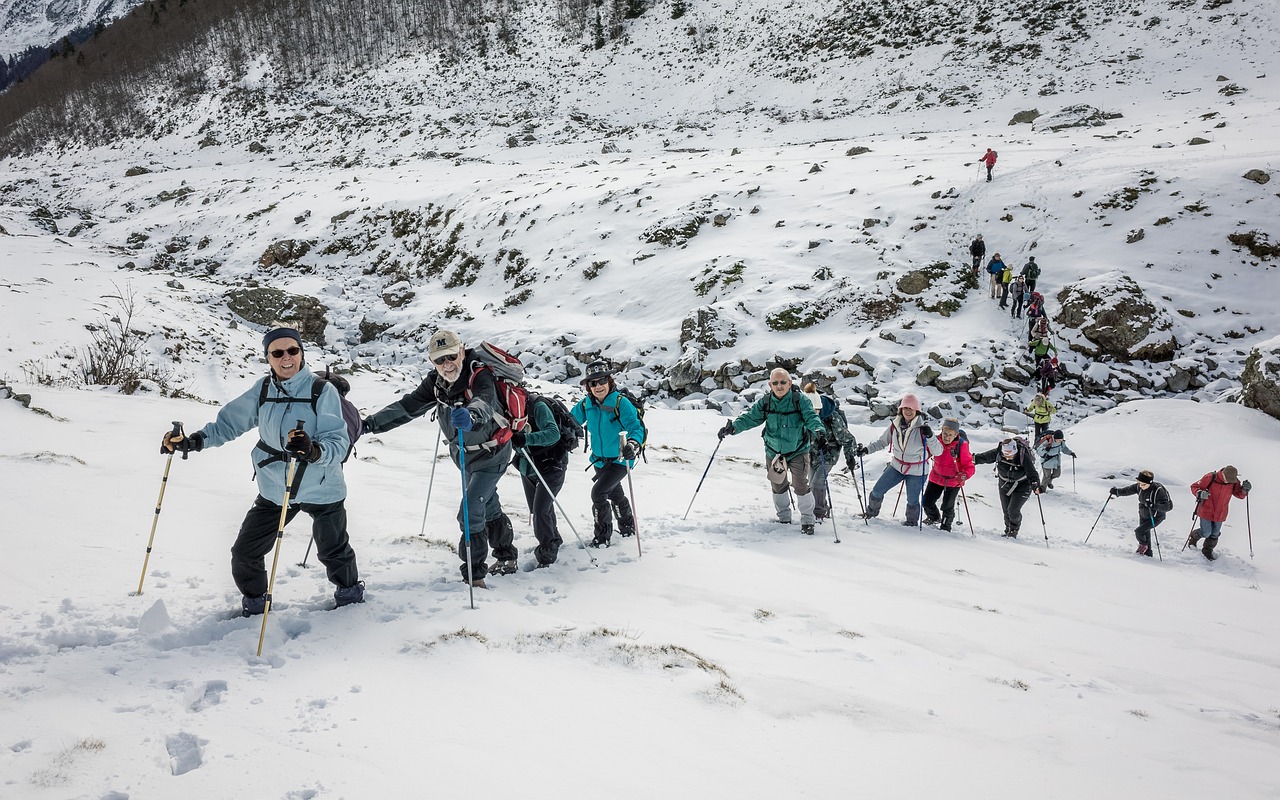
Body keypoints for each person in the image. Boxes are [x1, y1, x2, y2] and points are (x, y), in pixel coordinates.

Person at [160, 327, 364, 615]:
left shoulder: (322, 390)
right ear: (268, 357)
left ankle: (349, 596)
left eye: (292, 350)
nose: (286, 358)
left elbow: (338, 441)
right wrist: (195, 441)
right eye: (277, 353)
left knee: (333, 551)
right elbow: (229, 424)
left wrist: (313, 450)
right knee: (244, 553)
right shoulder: (264, 390)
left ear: (301, 353)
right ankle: (255, 603)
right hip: (275, 488)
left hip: (321, 484)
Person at [362, 330, 515, 587]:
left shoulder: (479, 374)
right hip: (464, 456)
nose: (447, 364)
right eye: (439, 360)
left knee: (469, 511)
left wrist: (472, 415)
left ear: (462, 352)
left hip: (492, 454)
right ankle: (507, 556)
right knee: (487, 504)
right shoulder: (436, 382)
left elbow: (485, 400)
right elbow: (407, 407)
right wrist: (368, 425)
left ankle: (475, 576)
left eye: (452, 357)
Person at [719, 369, 827, 534]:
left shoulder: (800, 401)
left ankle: (807, 520)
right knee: (777, 485)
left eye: (783, 382)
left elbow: (811, 417)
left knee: (800, 485)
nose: (779, 386)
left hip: (798, 450)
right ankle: (784, 517)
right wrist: (733, 428)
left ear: (790, 384)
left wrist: (819, 430)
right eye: (775, 383)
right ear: (770, 385)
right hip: (774, 451)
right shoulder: (766, 402)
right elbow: (750, 418)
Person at [571, 361, 644, 548]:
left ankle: (602, 537)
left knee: (598, 493)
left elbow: (636, 427)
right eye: (593, 383)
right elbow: (570, 421)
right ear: (588, 386)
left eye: (601, 380)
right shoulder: (586, 404)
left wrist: (633, 444)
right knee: (614, 494)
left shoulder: (621, 403)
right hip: (598, 460)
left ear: (609, 381)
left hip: (621, 460)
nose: (598, 386)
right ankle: (627, 526)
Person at [855, 394, 942, 527]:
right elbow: (882, 442)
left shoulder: (923, 429)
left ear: (916, 411)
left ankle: (911, 523)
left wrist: (930, 436)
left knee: (912, 500)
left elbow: (938, 451)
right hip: (896, 466)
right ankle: (871, 514)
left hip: (917, 471)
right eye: (905, 407)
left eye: (911, 408)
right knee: (877, 491)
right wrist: (866, 450)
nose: (908, 411)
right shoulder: (894, 426)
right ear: (900, 409)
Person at [511, 395, 567, 568]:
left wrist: (527, 439)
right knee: (538, 508)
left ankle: (547, 553)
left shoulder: (538, 407)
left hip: (552, 464)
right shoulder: (508, 408)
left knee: (540, 509)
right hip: (528, 465)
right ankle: (554, 537)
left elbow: (553, 434)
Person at [802, 383, 859, 522]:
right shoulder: (805, 415)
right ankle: (824, 508)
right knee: (811, 484)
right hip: (812, 454)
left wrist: (850, 457)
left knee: (817, 483)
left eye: (814, 409)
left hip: (828, 453)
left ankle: (818, 514)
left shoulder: (832, 417)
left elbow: (848, 439)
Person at [973, 437, 1041, 538]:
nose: (1008, 457)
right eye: (1005, 454)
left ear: (1015, 451)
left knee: (1013, 510)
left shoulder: (1023, 456)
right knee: (1006, 510)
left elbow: (1032, 473)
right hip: (1004, 484)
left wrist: (1035, 485)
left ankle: (1014, 530)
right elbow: (982, 457)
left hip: (1022, 485)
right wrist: (969, 459)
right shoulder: (998, 452)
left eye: (1010, 454)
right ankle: (1008, 530)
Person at [1188, 465, 1252, 561]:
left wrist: (1244, 490)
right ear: (1223, 474)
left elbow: (1239, 495)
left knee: (1215, 533)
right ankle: (1193, 537)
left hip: (1221, 512)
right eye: (1227, 479)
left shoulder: (1233, 481)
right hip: (1206, 510)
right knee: (1206, 532)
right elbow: (1194, 486)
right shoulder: (1210, 477)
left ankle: (1207, 550)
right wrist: (1199, 493)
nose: (1229, 482)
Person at [922, 418, 974, 532]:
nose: (947, 437)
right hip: (936, 477)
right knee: (926, 502)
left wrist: (964, 475)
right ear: (941, 430)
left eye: (950, 434)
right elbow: (925, 452)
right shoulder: (935, 440)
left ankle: (945, 527)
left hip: (953, 481)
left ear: (956, 434)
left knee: (947, 506)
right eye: (945, 433)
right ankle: (934, 517)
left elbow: (969, 466)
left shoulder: (962, 445)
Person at [1110, 470, 1173, 557]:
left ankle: (1143, 546)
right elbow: (1128, 490)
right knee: (1145, 533)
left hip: (1156, 516)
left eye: (1143, 484)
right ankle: (1148, 554)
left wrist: (1153, 505)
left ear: (1150, 483)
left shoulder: (1158, 490)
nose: (1140, 486)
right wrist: (1117, 492)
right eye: (1139, 483)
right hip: (1143, 513)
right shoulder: (1139, 486)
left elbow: (1168, 506)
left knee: (1139, 532)